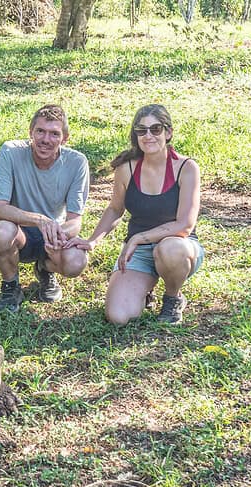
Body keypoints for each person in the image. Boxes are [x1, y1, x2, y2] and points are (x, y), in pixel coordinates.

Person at [66, 104, 204, 325]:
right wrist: (92, 241)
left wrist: (139, 238)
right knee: (119, 317)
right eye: (141, 130)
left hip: (177, 245)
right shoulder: (127, 169)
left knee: (169, 249)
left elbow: (185, 225)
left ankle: (172, 297)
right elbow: (115, 209)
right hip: (139, 251)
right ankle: (145, 289)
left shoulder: (186, 168)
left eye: (155, 129)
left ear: (168, 133)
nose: (148, 136)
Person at [0, 104, 90, 312]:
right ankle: (11, 285)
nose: (46, 139)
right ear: (30, 132)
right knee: (0, 233)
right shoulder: (11, 152)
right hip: (20, 231)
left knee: (76, 262)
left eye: (54, 134)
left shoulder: (77, 162)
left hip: (54, 235)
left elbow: (75, 220)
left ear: (65, 138)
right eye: (40, 131)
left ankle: (45, 269)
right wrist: (38, 220)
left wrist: (57, 233)